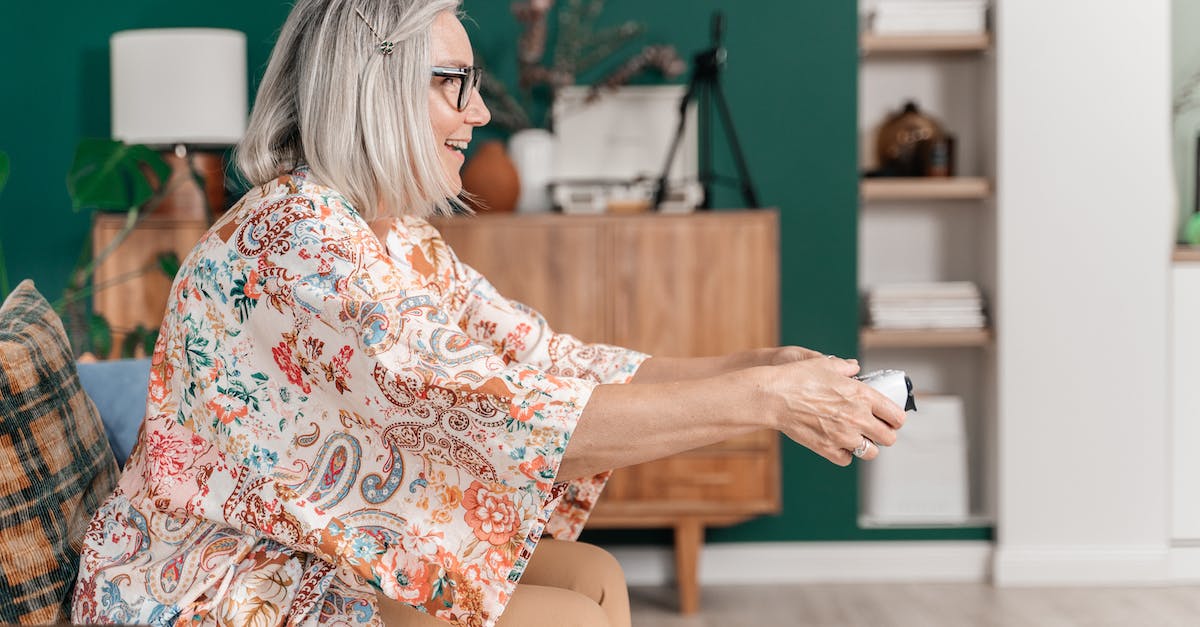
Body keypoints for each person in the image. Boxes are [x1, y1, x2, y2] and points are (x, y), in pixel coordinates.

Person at [71, 1, 905, 625]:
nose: (478, 111)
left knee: (594, 577)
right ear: (375, 86)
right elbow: (501, 418)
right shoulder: (296, 240)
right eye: (453, 84)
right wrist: (764, 402)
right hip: (216, 588)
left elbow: (553, 365)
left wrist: (763, 368)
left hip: (315, 551)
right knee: (571, 614)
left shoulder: (387, 231)